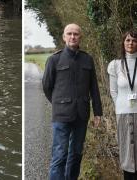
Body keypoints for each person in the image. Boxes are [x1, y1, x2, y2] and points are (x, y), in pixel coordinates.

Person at [42, 23, 103, 180]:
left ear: (80, 37)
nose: (72, 36)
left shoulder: (87, 59)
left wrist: (98, 112)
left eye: (76, 34)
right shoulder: (54, 60)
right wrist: (59, 103)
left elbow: (94, 88)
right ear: (64, 37)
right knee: (60, 155)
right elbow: (47, 87)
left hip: (81, 115)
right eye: (69, 33)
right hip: (61, 116)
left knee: (76, 155)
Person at [107, 30, 137, 180]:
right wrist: (122, 106)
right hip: (123, 114)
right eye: (127, 40)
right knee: (126, 151)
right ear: (123, 43)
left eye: (134, 40)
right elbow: (113, 92)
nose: (130, 43)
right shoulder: (115, 65)